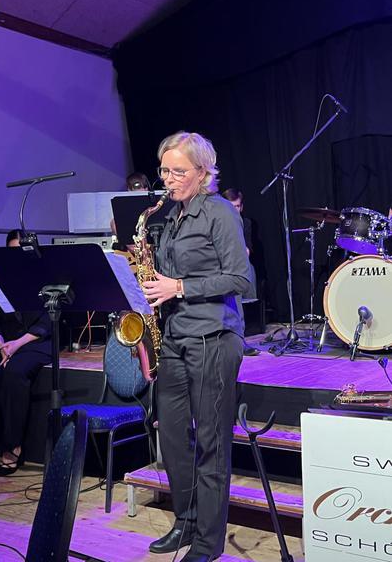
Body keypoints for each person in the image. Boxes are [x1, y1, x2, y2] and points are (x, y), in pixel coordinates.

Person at [143, 131, 251, 562]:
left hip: (214, 338)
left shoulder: (219, 212)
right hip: (176, 337)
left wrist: (180, 286)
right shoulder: (171, 215)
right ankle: (186, 520)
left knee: (211, 442)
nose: (168, 179)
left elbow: (240, 278)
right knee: (171, 437)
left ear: (203, 172)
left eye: (178, 171)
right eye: (164, 170)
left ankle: (208, 541)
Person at [0, 229, 51, 477]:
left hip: (32, 341)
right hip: (0, 342)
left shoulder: (45, 277)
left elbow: (46, 323)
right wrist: (1, 345)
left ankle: (12, 446)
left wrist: (15, 345)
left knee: (15, 374)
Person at [222, 188, 260, 356]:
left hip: (237, 266)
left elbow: (247, 250)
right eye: (231, 206)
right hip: (221, 267)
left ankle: (240, 339)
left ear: (241, 207)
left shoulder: (245, 223)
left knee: (244, 274)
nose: (234, 210)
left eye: (237, 206)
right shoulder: (218, 223)